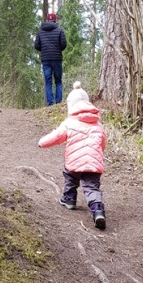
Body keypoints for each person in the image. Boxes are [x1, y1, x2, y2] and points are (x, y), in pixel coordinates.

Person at [38, 81, 107, 230]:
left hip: (74, 164)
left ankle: (69, 198)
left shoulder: (69, 122)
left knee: (70, 176)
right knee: (92, 187)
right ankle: (97, 209)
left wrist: (41, 143)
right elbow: (102, 142)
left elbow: (56, 136)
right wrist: (99, 154)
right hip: (93, 164)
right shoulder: (97, 124)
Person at [34, 12, 67, 106]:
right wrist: (57, 49)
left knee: (48, 82)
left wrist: (44, 49)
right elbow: (64, 45)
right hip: (57, 58)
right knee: (58, 81)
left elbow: (36, 46)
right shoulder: (59, 30)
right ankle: (59, 103)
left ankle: (50, 103)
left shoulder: (40, 31)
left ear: (47, 20)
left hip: (46, 59)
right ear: (55, 20)